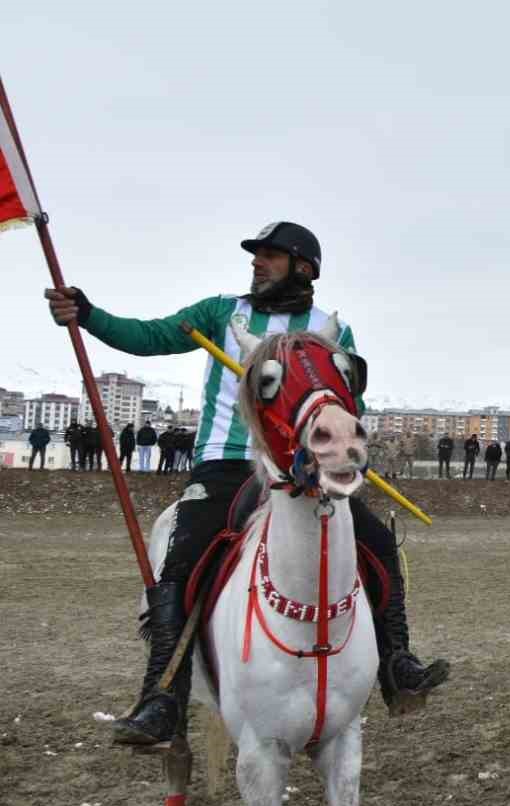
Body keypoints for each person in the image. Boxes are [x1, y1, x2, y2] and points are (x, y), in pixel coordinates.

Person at [44, 220, 448, 746]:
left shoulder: (329, 329)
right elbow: (149, 336)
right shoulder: (219, 313)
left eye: (269, 256)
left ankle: (395, 662)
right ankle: (162, 696)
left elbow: (349, 402)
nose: (256, 263)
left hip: (302, 465)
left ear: (302, 267)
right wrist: (90, 315)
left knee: (376, 544)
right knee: (182, 560)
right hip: (226, 464)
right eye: (255, 256)